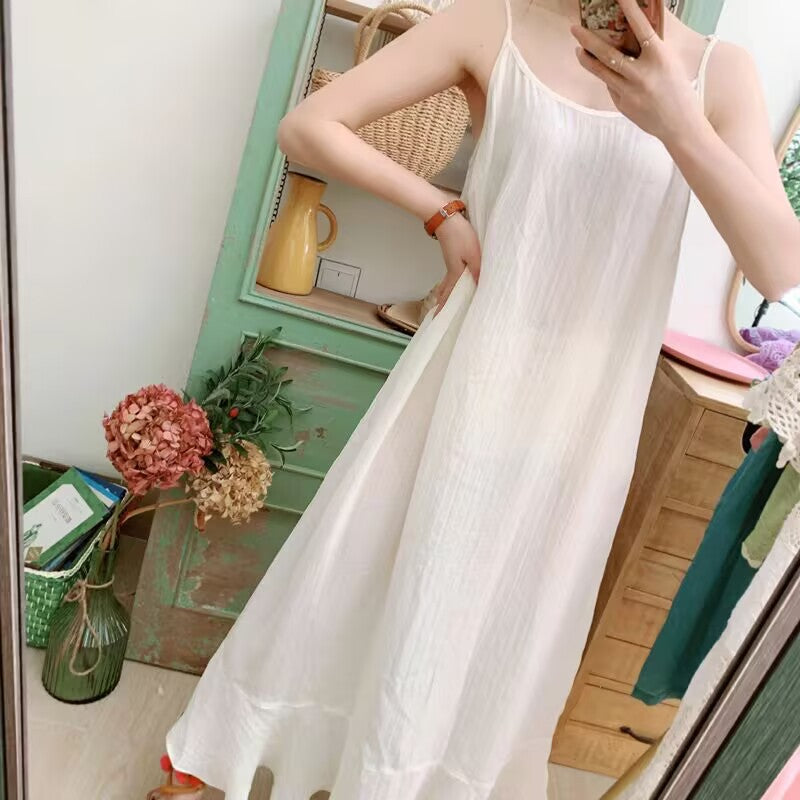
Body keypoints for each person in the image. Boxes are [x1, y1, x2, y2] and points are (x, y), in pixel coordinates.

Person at [148, 0, 800, 798]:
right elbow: (309, 127)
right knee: (366, 562)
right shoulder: (494, 22)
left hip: (588, 411)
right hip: (473, 371)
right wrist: (442, 211)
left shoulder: (718, 73)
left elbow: (778, 267)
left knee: (506, 612)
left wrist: (676, 119)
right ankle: (230, 750)